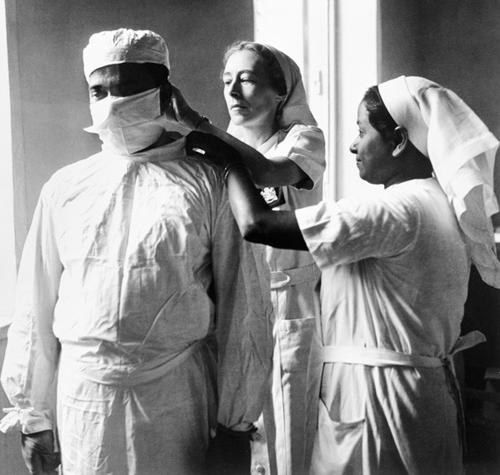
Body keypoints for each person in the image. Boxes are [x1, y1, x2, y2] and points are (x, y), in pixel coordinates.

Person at [186, 75, 500, 474]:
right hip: (418, 394)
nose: (353, 144)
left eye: (362, 130)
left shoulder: (396, 211)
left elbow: (258, 224)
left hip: (379, 401)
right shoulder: (434, 201)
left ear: (400, 139)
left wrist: (229, 161)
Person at [0, 28, 273, 475]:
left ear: (163, 93)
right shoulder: (67, 188)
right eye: (98, 89)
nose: (111, 103)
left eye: (127, 88)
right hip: (85, 399)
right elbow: (35, 305)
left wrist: (235, 425)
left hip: (175, 397)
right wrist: (34, 416)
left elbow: (244, 308)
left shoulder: (208, 182)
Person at [167, 40, 326, 475]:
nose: (233, 91)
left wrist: (196, 125)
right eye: (226, 81)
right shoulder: (220, 147)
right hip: (233, 306)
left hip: (288, 306)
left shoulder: (303, 140)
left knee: (287, 436)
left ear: (281, 92)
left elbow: (266, 171)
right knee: (234, 432)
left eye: (248, 79)